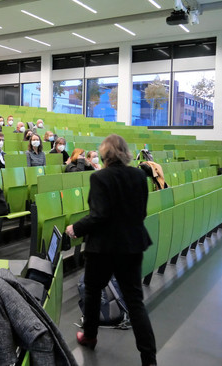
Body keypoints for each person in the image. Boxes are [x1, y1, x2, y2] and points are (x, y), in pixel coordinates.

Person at [65, 134, 157, 366]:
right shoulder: (139, 175)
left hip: (103, 248)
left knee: (93, 292)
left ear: (105, 154)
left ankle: (90, 336)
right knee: (135, 300)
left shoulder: (100, 177)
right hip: (132, 245)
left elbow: (99, 216)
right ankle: (149, 358)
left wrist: (75, 228)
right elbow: (141, 213)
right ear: (125, 152)